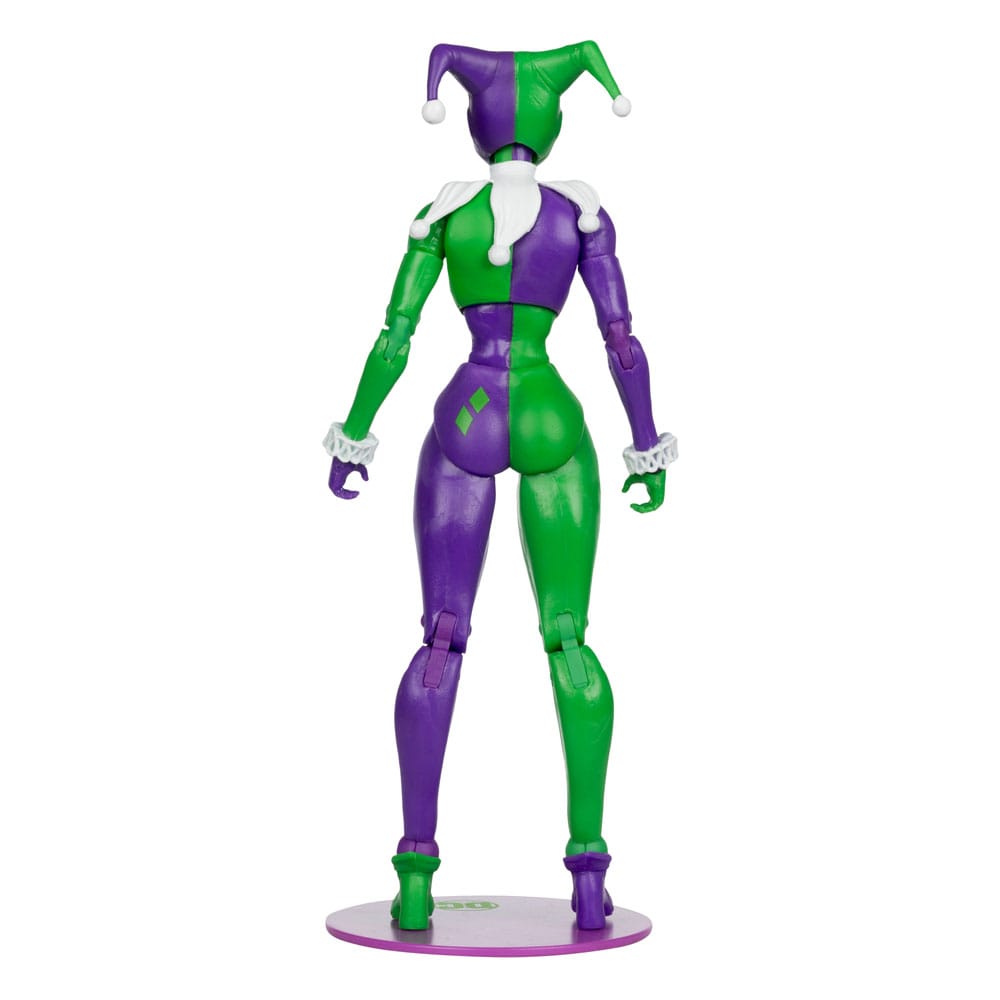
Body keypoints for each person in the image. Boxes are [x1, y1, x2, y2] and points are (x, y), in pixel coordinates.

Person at [324, 42, 676, 931]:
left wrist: (356, 434)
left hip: (471, 406)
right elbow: (621, 340)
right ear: (552, 125)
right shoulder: (578, 215)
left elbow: (395, 336)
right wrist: (644, 445)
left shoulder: (444, 216)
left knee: (442, 641)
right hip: (550, 410)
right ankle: (589, 873)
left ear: (476, 127)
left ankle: (414, 876)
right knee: (570, 640)